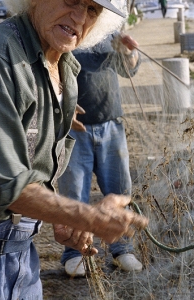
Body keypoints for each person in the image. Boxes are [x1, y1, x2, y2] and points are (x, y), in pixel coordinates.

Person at [0, 0, 148, 298]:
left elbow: (30, 167)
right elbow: (3, 182)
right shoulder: (0, 58)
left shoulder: (62, 64)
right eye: (71, 0)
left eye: (93, 9)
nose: (79, 16)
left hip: (20, 254)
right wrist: (86, 217)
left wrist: (55, 216)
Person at [57, 33, 142, 275]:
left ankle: (123, 249)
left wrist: (129, 53)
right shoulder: (64, 32)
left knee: (119, 191)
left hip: (111, 124)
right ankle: (74, 253)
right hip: (72, 128)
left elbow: (128, 70)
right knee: (74, 194)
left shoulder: (110, 33)